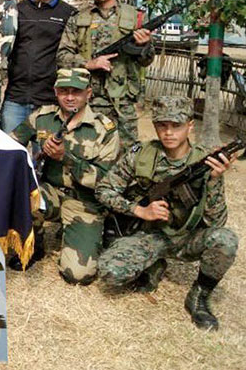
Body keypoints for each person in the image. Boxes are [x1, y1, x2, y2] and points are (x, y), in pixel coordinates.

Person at [96, 95, 238, 330]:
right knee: (110, 272)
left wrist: (214, 180)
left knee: (226, 240)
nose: (169, 132)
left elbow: (217, 222)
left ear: (190, 126)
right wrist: (139, 210)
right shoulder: (141, 154)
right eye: (162, 125)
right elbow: (104, 190)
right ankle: (154, 265)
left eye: (176, 125)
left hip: (187, 238)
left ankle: (199, 296)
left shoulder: (205, 161)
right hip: (150, 236)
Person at [9, 68, 119, 283]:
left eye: (76, 92)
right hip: (50, 192)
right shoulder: (42, 117)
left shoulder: (105, 129)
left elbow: (105, 180)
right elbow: (11, 143)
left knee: (78, 275)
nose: (69, 97)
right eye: (64, 91)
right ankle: (34, 244)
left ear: (88, 93)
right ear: (55, 92)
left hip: (84, 202)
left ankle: (93, 233)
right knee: (22, 193)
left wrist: (65, 157)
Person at [57, 0, 154, 150]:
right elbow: (62, 56)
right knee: (85, 150)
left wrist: (144, 46)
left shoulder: (135, 17)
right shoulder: (78, 18)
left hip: (123, 102)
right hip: (87, 100)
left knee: (126, 153)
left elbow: (147, 60)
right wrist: (88, 64)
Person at [1, 0, 76, 132]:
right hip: (15, 98)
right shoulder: (17, 10)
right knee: (11, 145)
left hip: (49, 101)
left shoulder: (68, 14)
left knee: (45, 147)